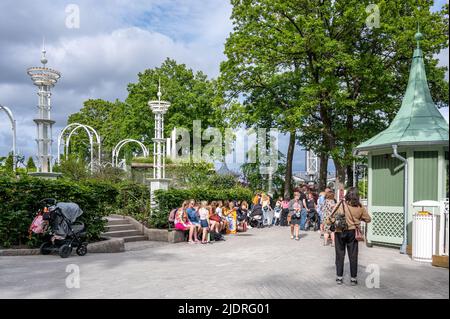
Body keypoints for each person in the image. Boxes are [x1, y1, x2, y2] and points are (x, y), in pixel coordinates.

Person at [333, 187, 371, 286]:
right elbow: (368, 219)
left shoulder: (341, 204)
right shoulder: (360, 206)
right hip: (353, 232)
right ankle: (353, 279)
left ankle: (339, 278)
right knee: (353, 256)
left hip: (340, 231)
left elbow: (332, 216)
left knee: (339, 255)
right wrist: (358, 218)